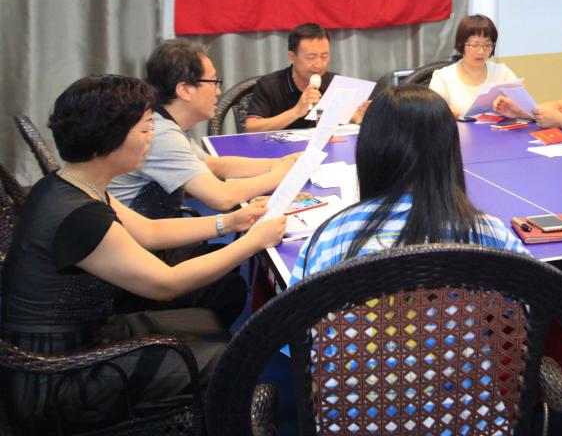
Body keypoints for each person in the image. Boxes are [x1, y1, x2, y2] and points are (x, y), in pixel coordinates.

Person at [0, 75, 285, 431]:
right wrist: (252, 242)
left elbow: (149, 232)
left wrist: (230, 222)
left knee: (213, 319)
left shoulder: (67, 184)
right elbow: (166, 283)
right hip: (58, 379)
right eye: (145, 129)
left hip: (78, 339)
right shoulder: (79, 216)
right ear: (110, 138)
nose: (152, 137)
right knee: (231, 362)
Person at [291, 85, 530, 282]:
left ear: (370, 150)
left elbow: (292, 319)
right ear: (449, 150)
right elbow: (537, 302)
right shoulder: (490, 236)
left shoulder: (330, 240)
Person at [109, 40, 296, 216]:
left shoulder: (163, 120)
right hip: (139, 239)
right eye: (213, 82)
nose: (218, 91)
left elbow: (213, 165)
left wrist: (281, 163)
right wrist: (282, 174)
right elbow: (222, 198)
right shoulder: (160, 134)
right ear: (184, 90)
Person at [245, 22, 366, 132]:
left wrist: (358, 116)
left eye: (324, 56)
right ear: (292, 56)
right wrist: (296, 112)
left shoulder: (334, 82)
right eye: (311, 57)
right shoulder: (269, 85)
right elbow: (251, 128)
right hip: (279, 148)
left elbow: (343, 123)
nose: (318, 64)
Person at [428, 14, 519, 118]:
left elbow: (527, 109)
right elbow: (431, 115)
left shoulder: (502, 73)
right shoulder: (443, 77)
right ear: (461, 44)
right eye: (475, 45)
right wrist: (446, 114)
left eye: (487, 45)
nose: (481, 51)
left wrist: (516, 109)